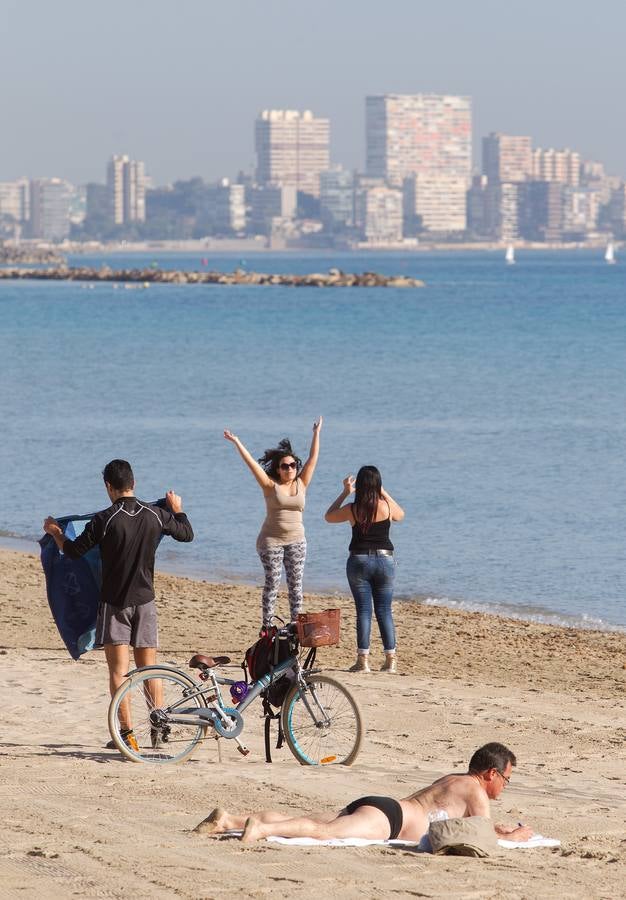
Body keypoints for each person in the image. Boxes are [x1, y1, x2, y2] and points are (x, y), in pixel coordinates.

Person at [43, 459, 194, 751]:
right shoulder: (156, 514)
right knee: (149, 667)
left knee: (119, 672)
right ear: (134, 484)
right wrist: (177, 510)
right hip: (146, 602)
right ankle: (158, 730)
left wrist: (56, 533)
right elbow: (187, 534)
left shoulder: (104, 519)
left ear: (108, 487)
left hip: (115, 605)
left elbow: (73, 552)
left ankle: (126, 736)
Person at [197, 742, 534, 845]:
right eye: (506, 779)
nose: (504, 786)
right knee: (323, 832)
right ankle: (262, 829)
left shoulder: (454, 778)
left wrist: (499, 827)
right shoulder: (477, 790)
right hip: (390, 820)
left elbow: (471, 822)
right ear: (491, 773)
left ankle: (230, 820)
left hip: (384, 806)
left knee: (312, 821)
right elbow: (482, 835)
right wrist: (515, 836)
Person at [223, 419, 322, 627]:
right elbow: (252, 464)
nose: (290, 469)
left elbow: (313, 458)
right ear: (278, 469)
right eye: (285, 466)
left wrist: (316, 433)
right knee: (273, 583)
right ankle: (267, 625)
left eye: (293, 465)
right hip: (271, 541)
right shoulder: (270, 486)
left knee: (296, 585)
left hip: (297, 540)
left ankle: (296, 625)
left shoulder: (301, 483)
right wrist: (237, 442)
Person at [325, 466, 404, 673]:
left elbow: (329, 516)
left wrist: (344, 492)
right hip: (385, 561)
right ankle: (390, 660)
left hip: (359, 561)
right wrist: (383, 491)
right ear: (378, 485)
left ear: (358, 485)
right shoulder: (386, 506)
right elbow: (401, 515)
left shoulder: (353, 508)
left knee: (364, 611)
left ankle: (363, 661)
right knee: (384, 610)